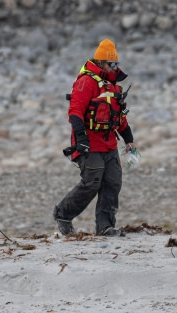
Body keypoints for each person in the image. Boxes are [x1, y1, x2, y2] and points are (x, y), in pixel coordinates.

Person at [53, 38, 136, 237]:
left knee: (113, 182)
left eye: (117, 63)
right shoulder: (86, 82)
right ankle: (63, 214)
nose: (115, 68)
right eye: (111, 64)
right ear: (100, 62)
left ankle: (105, 227)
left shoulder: (113, 86)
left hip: (109, 144)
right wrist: (81, 140)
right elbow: (75, 112)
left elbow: (120, 117)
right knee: (92, 181)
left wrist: (129, 139)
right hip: (89, 144)